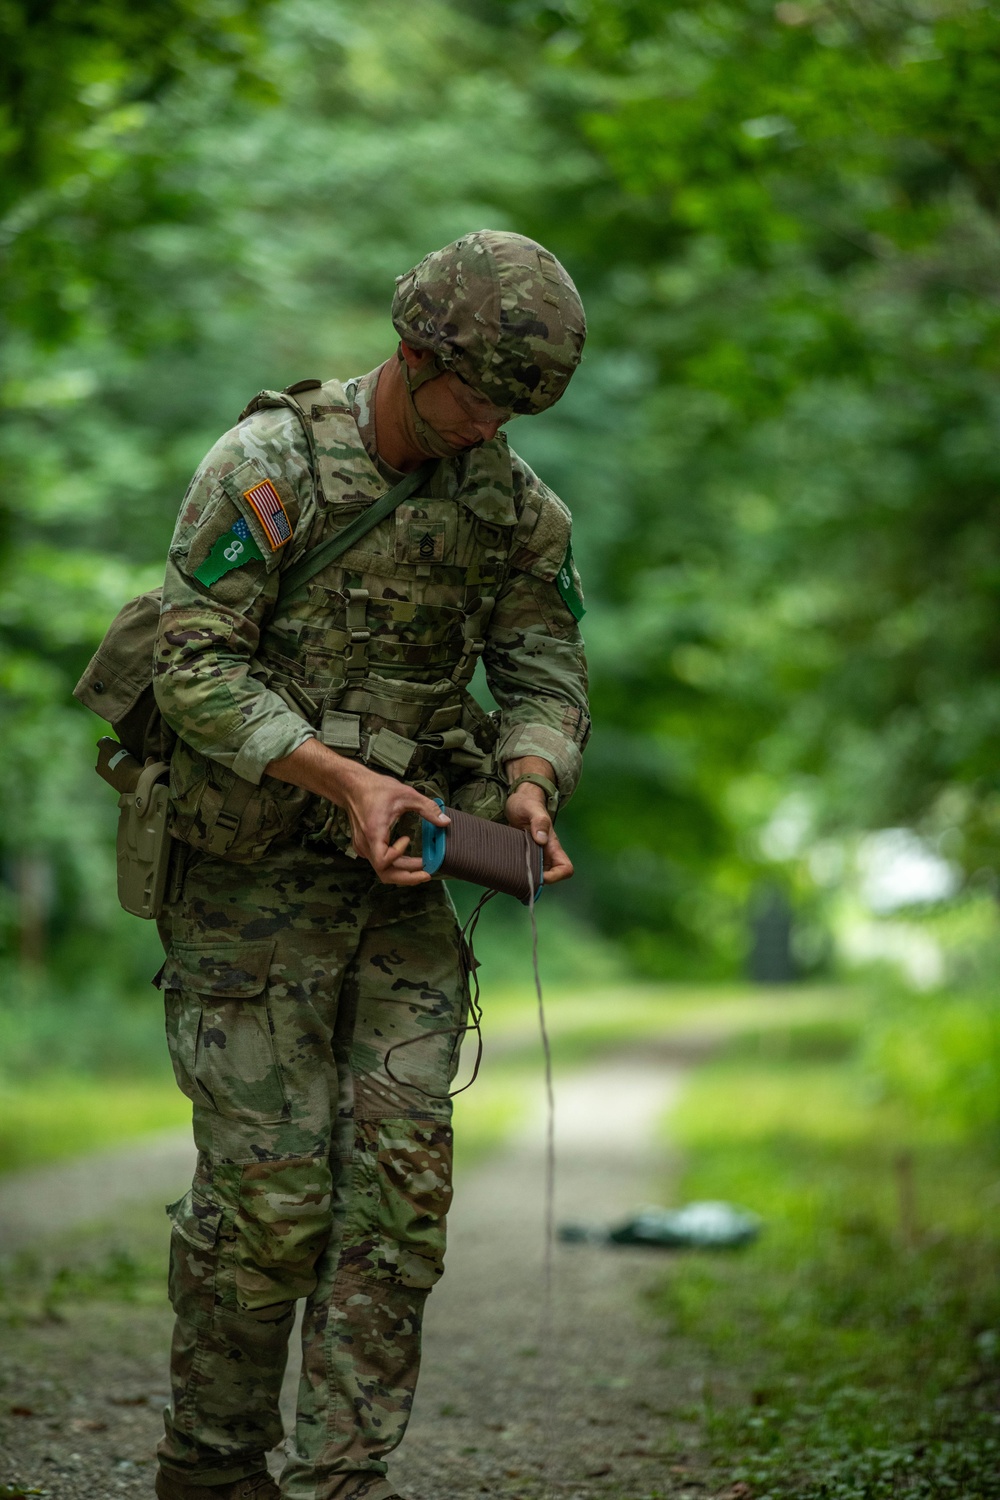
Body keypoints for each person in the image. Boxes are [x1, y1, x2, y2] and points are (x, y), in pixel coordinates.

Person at [152, 230, 591, 1500]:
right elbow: (193, 661)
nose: (493, 427)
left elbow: (545, 667)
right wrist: (339, 781)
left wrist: (526, 781)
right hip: (247, 890)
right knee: (271, 1205)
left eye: (518, 408)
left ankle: (345, 1479)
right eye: (480, 398)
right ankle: (214, 1468)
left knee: (397, 1199)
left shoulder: (512, 504)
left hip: (406, 896)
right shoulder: (269, 466)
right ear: (415, 355)